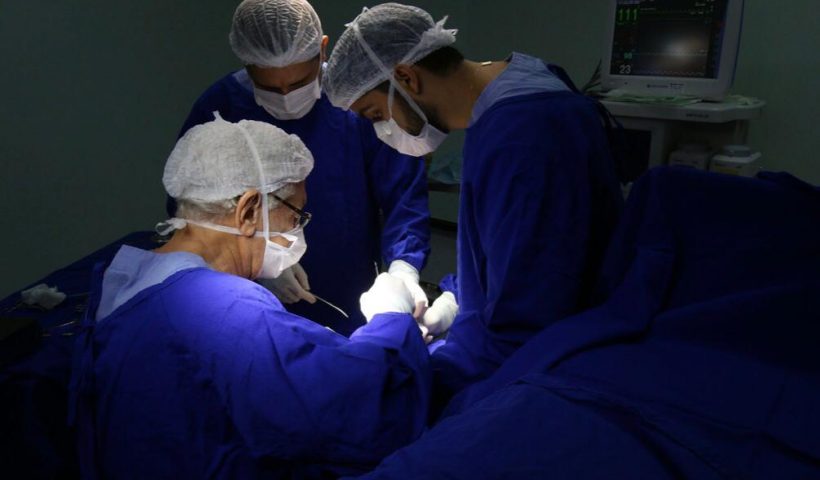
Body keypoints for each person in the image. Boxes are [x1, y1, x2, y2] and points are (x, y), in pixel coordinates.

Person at [69, 115, 431, 479]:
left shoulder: (127, 278)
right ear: (248, 211)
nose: (299, 230)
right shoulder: (229, 312)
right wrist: (391, 320)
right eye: (297, 216)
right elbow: (357, 409)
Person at [324, 3, 623, 406]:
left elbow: (527, 328)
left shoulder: (521, 138)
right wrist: (457, 299)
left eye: (376, 113)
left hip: (548, 378)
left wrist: (420, 370)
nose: (382, 130)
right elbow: (511, 255)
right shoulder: (524, 84)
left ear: (407, 77)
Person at [175, 0, 431, 336]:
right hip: (246, 302)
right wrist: (257, 266)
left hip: (349, 293)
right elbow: (194, 213)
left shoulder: (357, 105)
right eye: (270, 87)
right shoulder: (221, 108)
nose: (285, 96)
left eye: (299, 83)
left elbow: (404, 196)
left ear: (323, 49)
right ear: (247, 64)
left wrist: (403, 269)